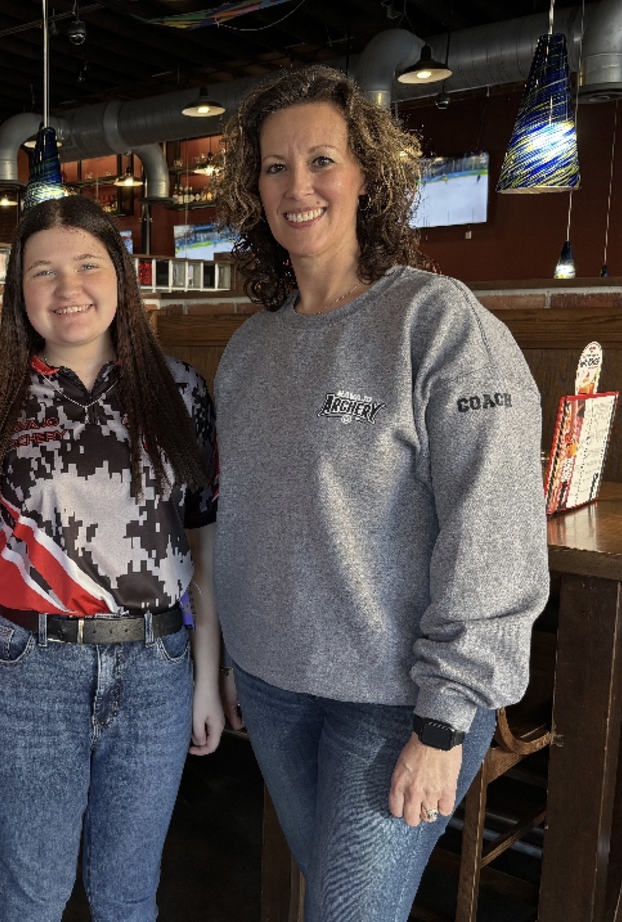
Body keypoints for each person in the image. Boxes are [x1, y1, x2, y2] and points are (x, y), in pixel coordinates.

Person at [211, 65, 549, 921]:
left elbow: (494, 529)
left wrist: (444, 722)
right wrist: (232, 664)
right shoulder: (251, 347)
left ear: (369, 175)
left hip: (399, 703)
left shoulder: (437, 323)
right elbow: (247, 516)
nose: (298, 187)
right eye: (275, 167)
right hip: (275, 690)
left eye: (321, 160)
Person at [0, 193, 224, 922]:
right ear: (20, 292)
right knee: (33, 895)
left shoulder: (180, 388)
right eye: (43, 272)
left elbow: (203, 540)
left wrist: (206, 677)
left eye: (87, 266)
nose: (67, 290)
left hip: (157, 668)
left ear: (121, 278)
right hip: (24, 667)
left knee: (128, 895)